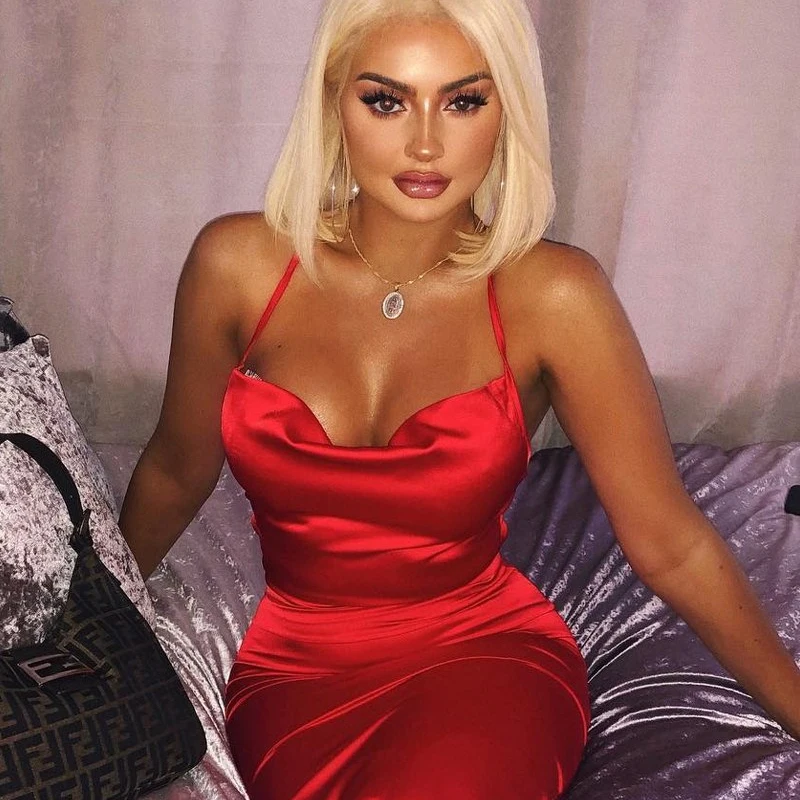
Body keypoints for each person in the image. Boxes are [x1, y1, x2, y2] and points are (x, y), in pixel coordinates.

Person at [119, 0, 800, 797]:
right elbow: (175, 472)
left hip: (483, 659)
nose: (425, 143)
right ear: (334, 103)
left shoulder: (554, 295)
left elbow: (670, 543)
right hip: (292, 679)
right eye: (386, 101)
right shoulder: (236, 264)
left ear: (506, 112)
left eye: (464, 101)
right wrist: (80, 627)